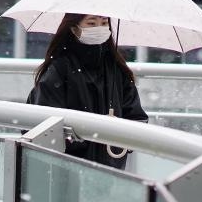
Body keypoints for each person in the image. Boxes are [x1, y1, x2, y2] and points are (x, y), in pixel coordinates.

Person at [26, 13, 148, 169]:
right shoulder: (59, 69)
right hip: (66, 169)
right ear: (74, 28)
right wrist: (82, 137)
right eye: (91, 23)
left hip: (111, 171)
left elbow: (136, 117)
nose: (100, 28)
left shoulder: (117, 69)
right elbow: (43, 125)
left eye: (104, 23)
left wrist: (121, 136)